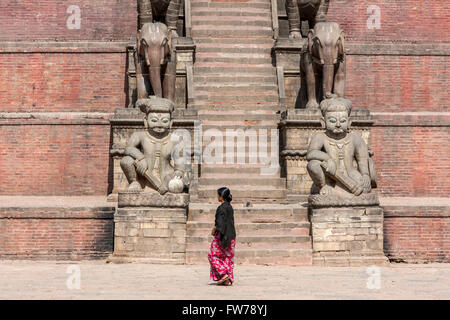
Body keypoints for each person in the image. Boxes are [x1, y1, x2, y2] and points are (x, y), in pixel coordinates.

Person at [208, 187, 236, 286]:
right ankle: (227, 279)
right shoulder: (229, 206)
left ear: (221, 197)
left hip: (222, 236)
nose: (217, 197)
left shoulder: (222, 208)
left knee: (212, 255)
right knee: (227, 257)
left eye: (218, 195)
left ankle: (223, 274)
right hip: (231, 236)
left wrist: (215, 229)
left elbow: (221, 222)